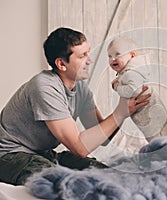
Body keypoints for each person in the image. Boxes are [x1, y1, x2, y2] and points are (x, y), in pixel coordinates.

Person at [0, 27, 150, 185]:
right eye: (82, 56)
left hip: (43, 153)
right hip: (10, 155)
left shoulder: (80, 89)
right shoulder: (44, 86)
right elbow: (79, 147)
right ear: (61, 64)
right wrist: (120, 113)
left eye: (88, 53)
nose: (89, 60)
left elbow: (102, 133)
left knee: (110, 175)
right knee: (69, 183)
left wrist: (126, 103)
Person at [107, 37, 167, 142]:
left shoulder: (131, 73)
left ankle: (165, 151)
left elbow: (133, 90)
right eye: (110, 56)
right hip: (146, 113)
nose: (113, 59)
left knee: (156, 138)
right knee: (157, 135)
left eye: (117, 54)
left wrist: (118, 88)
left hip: (149, 112)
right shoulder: (128, 72)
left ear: (132, 55)